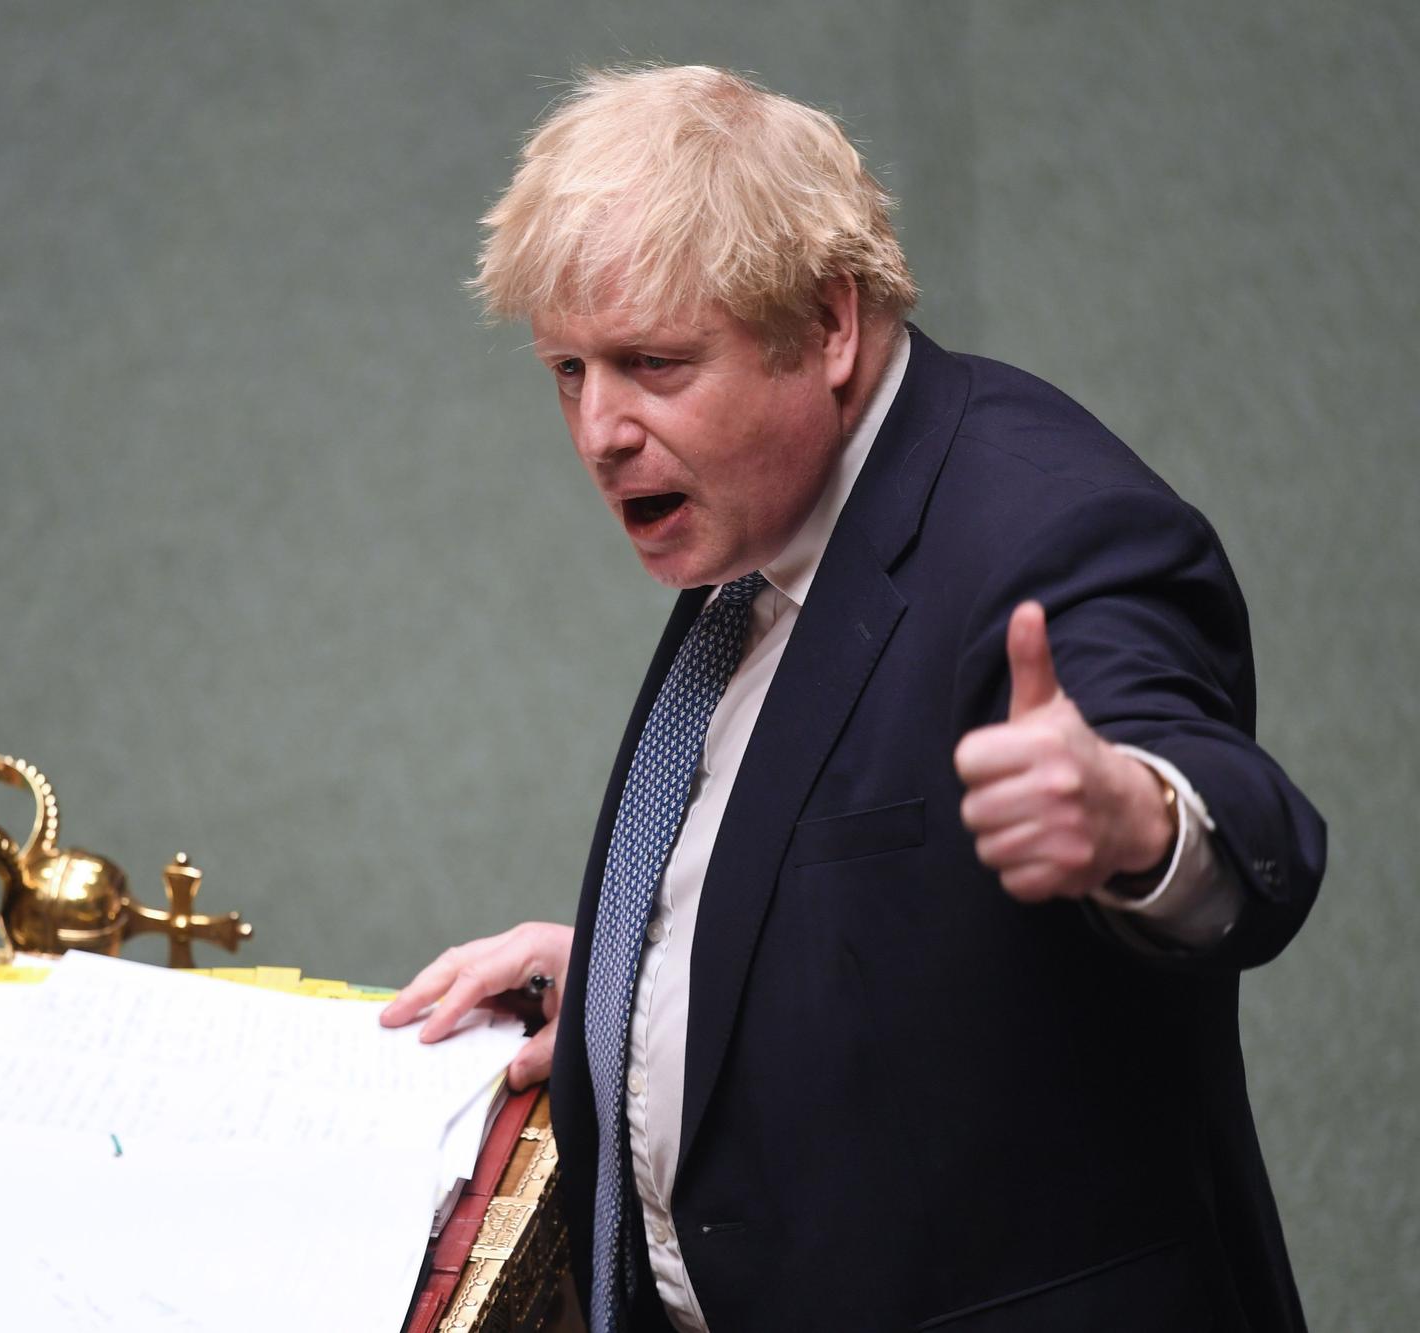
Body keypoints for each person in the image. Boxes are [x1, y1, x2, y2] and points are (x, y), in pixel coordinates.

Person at [381, 65, 1323, 1333]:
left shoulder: (1047, 528)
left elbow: (1239, 830)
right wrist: (635, 983)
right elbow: (846, 884)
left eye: (651, 363)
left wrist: (1135, 820)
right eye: (566, 369)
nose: (598, 429)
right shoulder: (766, 529)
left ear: (826, 325)